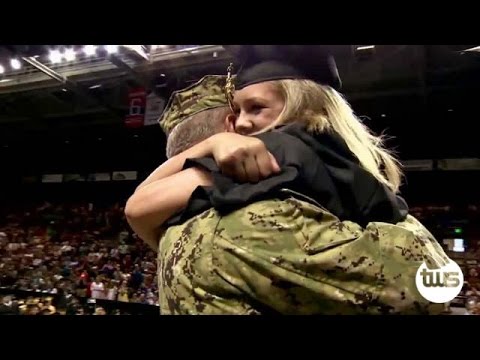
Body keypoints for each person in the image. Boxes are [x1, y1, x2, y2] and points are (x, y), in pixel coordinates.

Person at [126, 46, 451, 314]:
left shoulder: (177, 222)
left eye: (256, 109)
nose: (241, 125)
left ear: (305, 110)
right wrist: (398, 214)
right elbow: (434, 285)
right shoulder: (243, 222)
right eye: (238, 112)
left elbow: (138, 208)